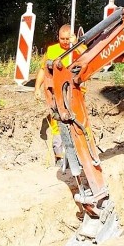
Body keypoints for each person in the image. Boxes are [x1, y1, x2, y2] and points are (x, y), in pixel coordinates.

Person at [34, 24, 83, 162]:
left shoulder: (78, 49)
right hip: (57, 92)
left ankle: (79, 153)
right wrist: (37, 88)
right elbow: (44, 70)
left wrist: (76, 44)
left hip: (74, 92)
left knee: (76, 121)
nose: (66, 42)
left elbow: (87, 56)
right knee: (58, 122)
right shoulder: (52, 50)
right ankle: (59, 155)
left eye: (68, 39)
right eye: (63, 39)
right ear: (58, 37)